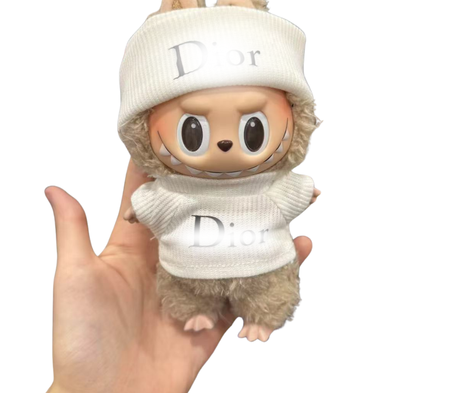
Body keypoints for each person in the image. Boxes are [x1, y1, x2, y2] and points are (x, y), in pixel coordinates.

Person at [45, 159, 313, 393]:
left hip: (263, 268)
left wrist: (304, 192)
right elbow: (158, 202)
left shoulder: (268, 184)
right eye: (193, 132)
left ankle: (263, 318)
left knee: (269, 292)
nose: (225, 144)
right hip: (189, 273)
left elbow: (289, 191)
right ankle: (198, 311)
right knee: (187, 292)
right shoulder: (178, 189)